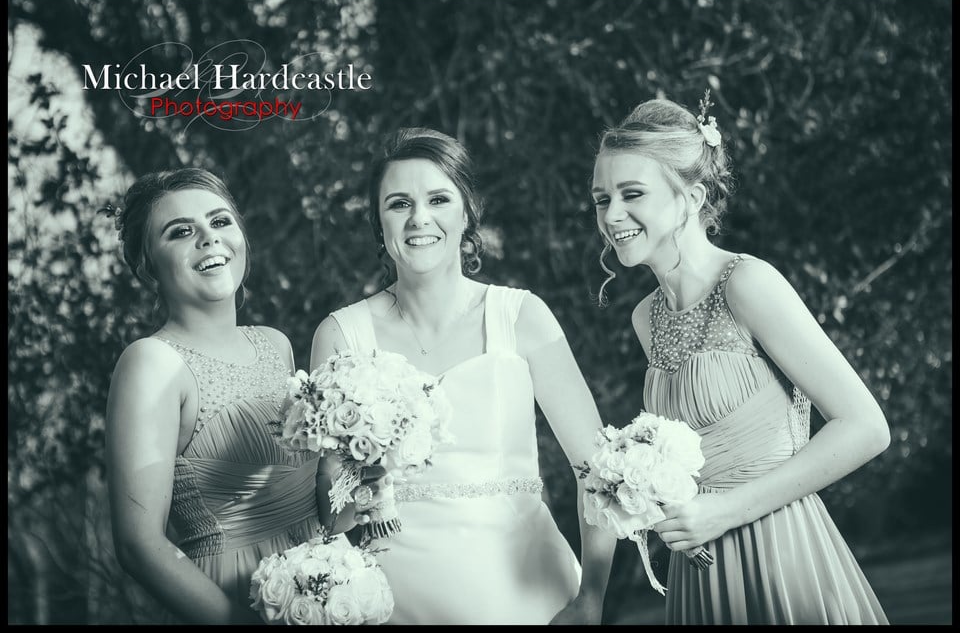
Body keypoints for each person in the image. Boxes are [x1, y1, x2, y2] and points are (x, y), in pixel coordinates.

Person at [590, 93, 891, 624]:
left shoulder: (748, 283)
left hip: (780, 550)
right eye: (600, 199)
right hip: (701, 570)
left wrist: (725, 511)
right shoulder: (645, 317)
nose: (613, 215)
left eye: (631, 193)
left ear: (691, 197)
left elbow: (866, 427)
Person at [310, 127, 617, 625]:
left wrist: (593, 597)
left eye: (437, 198)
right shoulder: (341, 334)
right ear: (378, 221)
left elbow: (597, 470)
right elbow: (333, 514)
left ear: (466, 210)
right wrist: (358, 479)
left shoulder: (520, 316)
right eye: (398, 203)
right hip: (391, 602)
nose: (419, 219)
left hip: (527, 595)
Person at [103, 168, 384, 624]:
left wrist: (356, 473)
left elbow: (327, 515)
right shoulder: (151, 363)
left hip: (323, 596)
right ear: (146, 263)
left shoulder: (275, 345)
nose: (208, 239)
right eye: (180, 232)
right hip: (226, 602)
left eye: (219, 222)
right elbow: (139, 546)